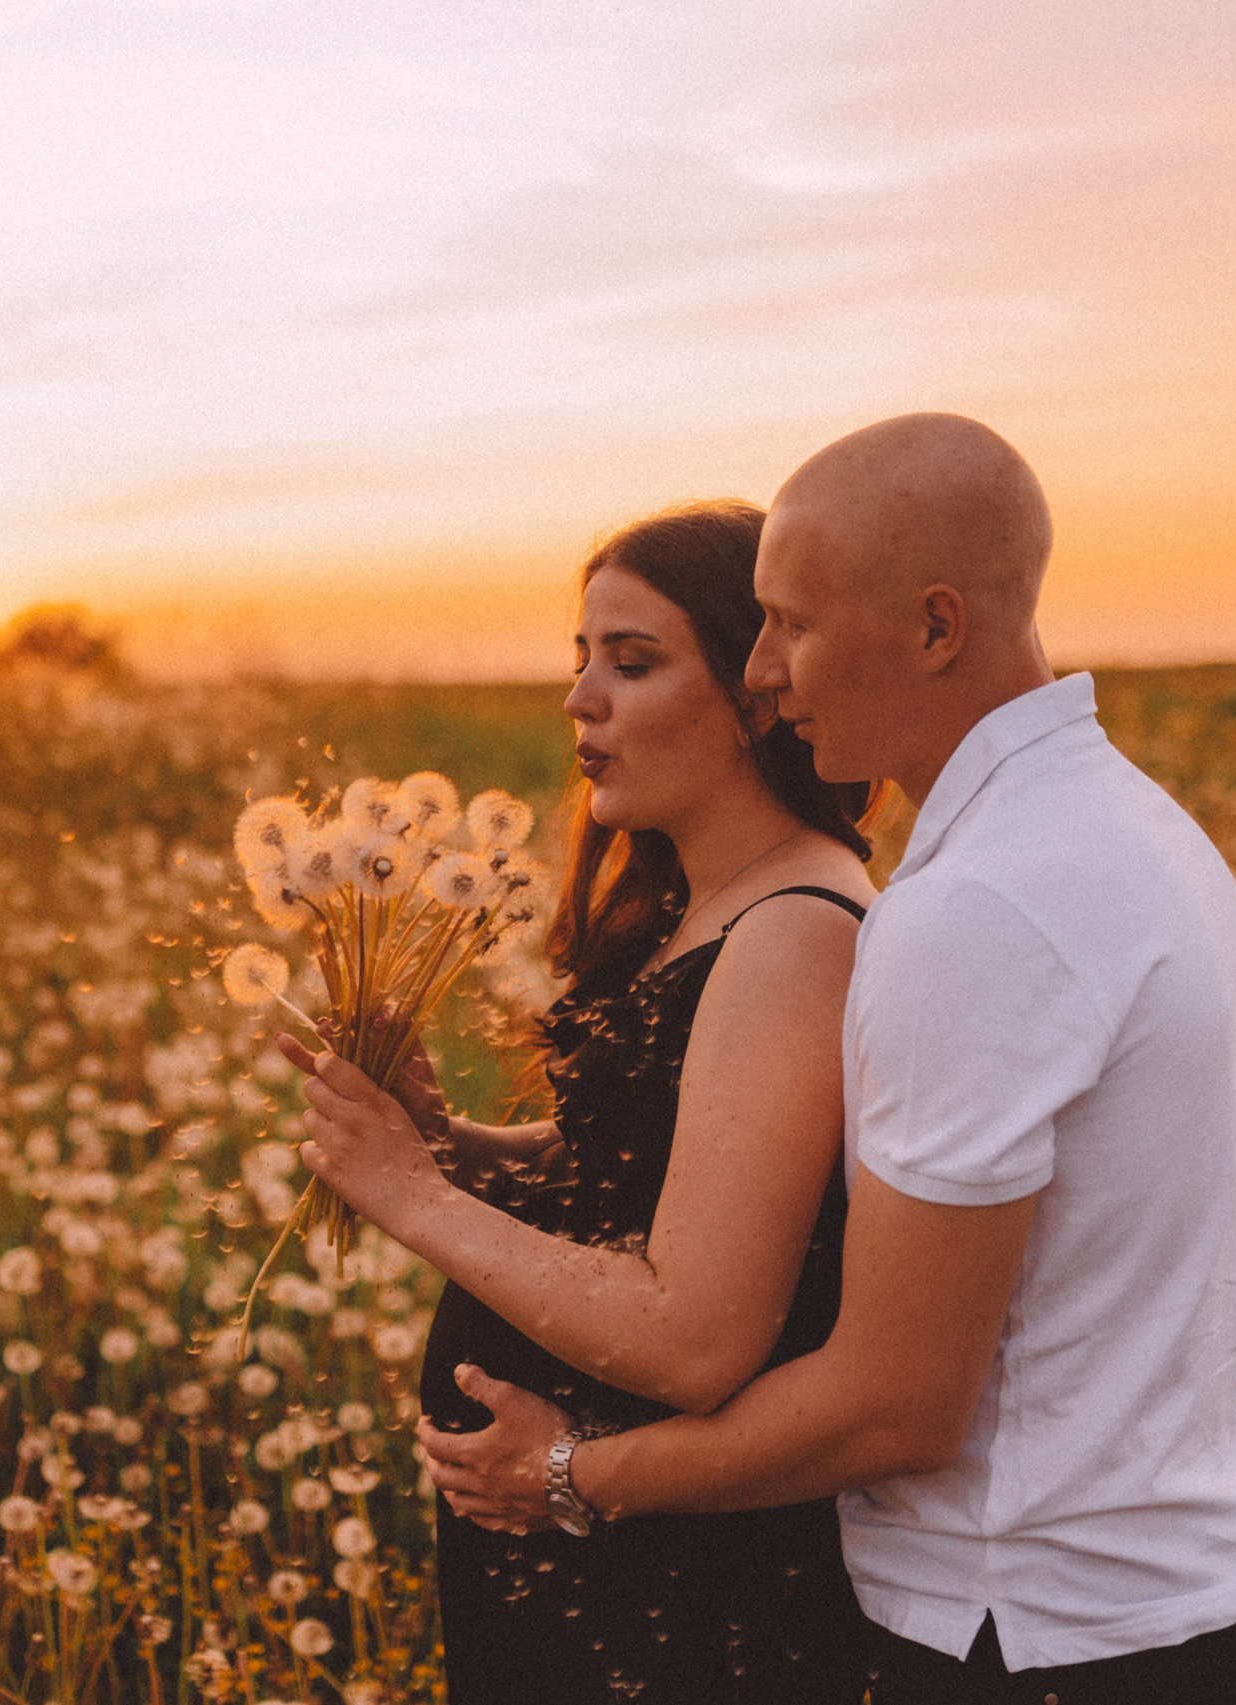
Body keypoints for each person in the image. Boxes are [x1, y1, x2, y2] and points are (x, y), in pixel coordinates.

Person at [415, 413, 1236, 1704]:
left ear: (937, 628)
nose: (763, 672)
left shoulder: (981, 909)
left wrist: (570, 1476)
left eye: (792, 624)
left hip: (1029, 1628)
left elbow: (898, 1402)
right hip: (1137, 1594)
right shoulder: (1129, 831)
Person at [280, 499, 881, 1702]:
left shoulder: (794, 934)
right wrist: (448, 1143)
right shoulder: (704, 908)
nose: (581, 700)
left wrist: (407, 1194)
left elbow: (697, 1336)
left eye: (634, 661)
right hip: (584, 1563)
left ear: (758, 690)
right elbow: (651, 1167)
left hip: (667, 1602)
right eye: (581, 658)